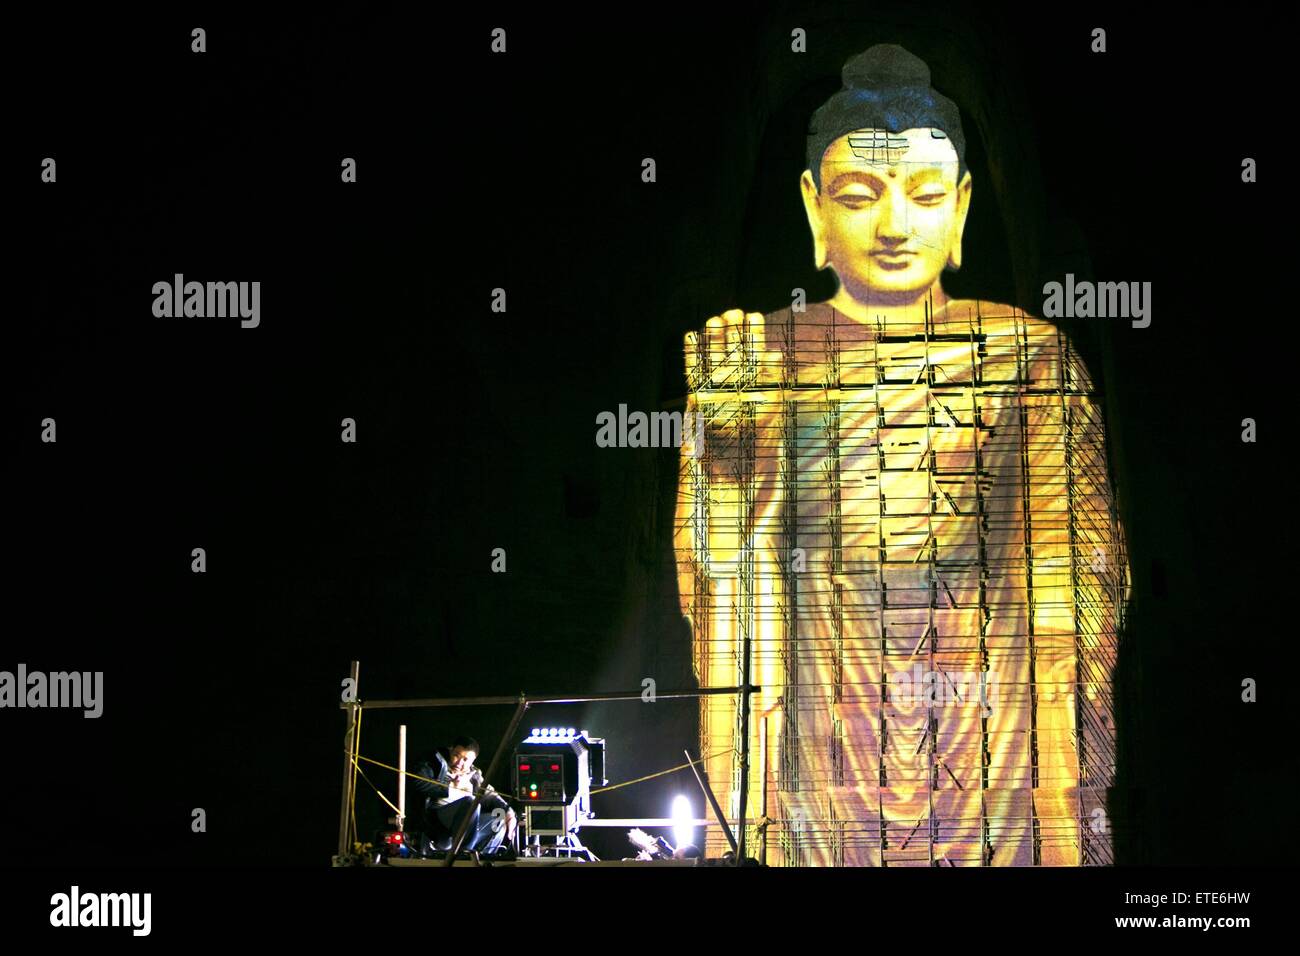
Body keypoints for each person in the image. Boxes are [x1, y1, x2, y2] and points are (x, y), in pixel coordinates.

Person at [673, 44, 1131, 866]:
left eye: (924, 196)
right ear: (813, 208)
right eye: (858, 196)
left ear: (960, 210)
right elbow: (724, 580)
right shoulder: (764, 354)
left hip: (989, 733)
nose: (894, 226)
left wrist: (1062, 798)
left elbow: (1075, 584)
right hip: (822, 728)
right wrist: (728, 455)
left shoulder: (1026, 354)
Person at [411, 735, 517, 856]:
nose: (459, 762)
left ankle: (485, 856)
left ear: (473, 761)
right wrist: (451, 787)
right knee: (471, 802)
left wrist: (509, 812)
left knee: (500, 815)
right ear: (451, 750)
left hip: (466, 824)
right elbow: (418, 783)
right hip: (439, 817)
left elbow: (490, 795)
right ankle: (464, 854)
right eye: (456, 755)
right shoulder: (435, 763)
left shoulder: (474, 775)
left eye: (465, 759)